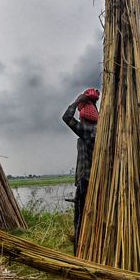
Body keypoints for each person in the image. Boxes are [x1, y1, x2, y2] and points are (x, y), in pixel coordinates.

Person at [62, 88, 100, 252]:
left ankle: (79, 251)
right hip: (98, 180)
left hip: (85, 180)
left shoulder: (86, 130)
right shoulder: (100, 132)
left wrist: (78, 100)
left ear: (83, 116)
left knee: (80, 217)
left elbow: (66, 117)